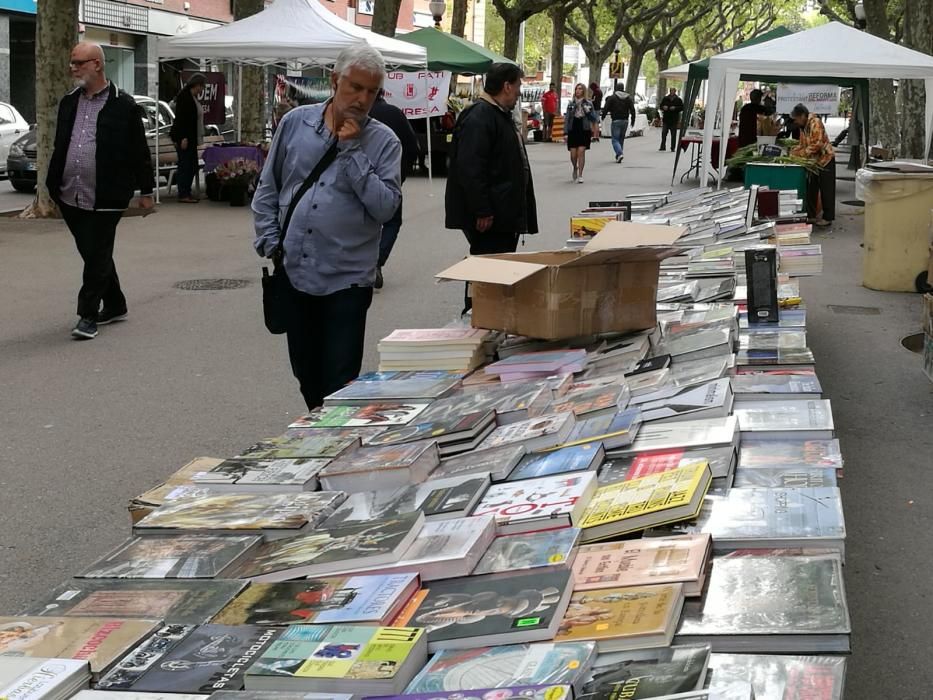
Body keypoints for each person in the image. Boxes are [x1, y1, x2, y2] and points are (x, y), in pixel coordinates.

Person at [252, 43, 402, 410]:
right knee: (306, 372)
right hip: (296, 270)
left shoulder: (384, 142)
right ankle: (318, 433)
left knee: (340, 381)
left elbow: (385, 208)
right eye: (355, 87)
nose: (363, 98)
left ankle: (332, 447)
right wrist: (271, 242)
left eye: (372, 91)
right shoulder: (294, 123)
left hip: (347, 278)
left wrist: (352, 151)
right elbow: (268, 187)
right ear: (335, 81)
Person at [46, 41, 154, 341]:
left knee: (97, 253)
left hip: (107, 194)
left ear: (97, 64)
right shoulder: (69, 101)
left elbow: (139, 151)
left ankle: (87, 316)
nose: (73, 68)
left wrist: (147, 190)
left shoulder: (124, 105)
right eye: (72, 62)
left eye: (79, 62)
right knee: (94, 252)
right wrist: (51, 185)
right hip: (69, 193)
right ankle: (116, 303)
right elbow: (60, 144)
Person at [445, 63, 538, 310]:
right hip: (491, 215)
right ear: (507, 86)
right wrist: (482, 209)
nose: (520, 92)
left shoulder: (496, 114)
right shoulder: (480, 116)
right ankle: (476, 313)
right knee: (486, 266)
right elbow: (470, 168)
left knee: (495, 267)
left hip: (501, 210)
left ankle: (488, 314)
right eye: (518, 85)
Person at [369, 89, 419, 290]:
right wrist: (401, 174)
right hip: (389, 179)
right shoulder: (394, 113)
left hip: (354, 179)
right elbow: (412, 147)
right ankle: (376, 262)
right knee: (392, 221)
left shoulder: (348, 113)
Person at [790, 103, 835, 227]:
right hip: (813, 162)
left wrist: (801, 154)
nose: (796, 122)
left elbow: (817, 144)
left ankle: (828, 218)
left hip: (825, 159)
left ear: (803, 116)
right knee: (811, 188)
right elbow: (802, 144)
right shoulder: (803, 127)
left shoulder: (815, 122)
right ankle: (811, 216)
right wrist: (793, 152)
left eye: (796, 119)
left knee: (826, 190)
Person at [169, 72, 206, 203]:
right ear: (196, 85)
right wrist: (182, 137)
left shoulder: (192, 97)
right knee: (186, 165)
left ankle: (186, 192)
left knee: (192, 165)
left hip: (191, 137)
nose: (202, 90)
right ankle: (183, 193)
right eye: (202, 87)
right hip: (184, 137)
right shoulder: (184, 97)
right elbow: (182, 119)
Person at [564, 83, 599, 183]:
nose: (578, 91)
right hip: (573, 128)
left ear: (583, 91)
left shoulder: (588, 103)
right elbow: (567, 119)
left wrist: (595, 130)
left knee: (581, 152)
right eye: (576, 89)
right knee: (573, 154)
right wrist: (565, 132)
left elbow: (593, 118)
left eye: (580, 89)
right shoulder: (571, 104)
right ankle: (575, 167)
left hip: (584, 128)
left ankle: (580, 174)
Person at [602, 87, 637, 163]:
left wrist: (603, 116)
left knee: (615, 139)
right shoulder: (628, 98)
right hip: (625, 120)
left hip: (616, 120)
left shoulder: (612, 97)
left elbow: (606, 107)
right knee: (621, 139)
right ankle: (618, 155)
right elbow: (632, 109)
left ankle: (619, 153)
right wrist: (633, 120)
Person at [658, 87, 683, 152]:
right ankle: (662, 146)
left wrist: (675, 108)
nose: (672, 92)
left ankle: (673, 147)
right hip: (666, 118)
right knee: (664, 133)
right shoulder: (665, 98)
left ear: (675, 92)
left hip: (674, 119)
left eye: (673, 91)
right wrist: (663, 107)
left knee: (673, 134)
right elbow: (660, 106)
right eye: (671, 91)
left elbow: (682, 107)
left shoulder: (678, 99)